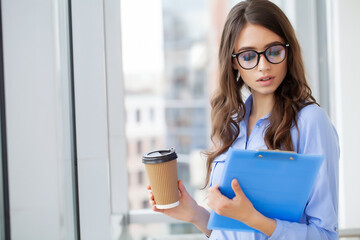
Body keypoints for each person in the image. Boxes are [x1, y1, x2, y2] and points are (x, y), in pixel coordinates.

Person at [147, 0, 339, 239]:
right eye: (249, 56)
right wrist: (194, 213)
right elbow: (231, 232)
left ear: (288, 52)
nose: (264, 66)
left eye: (274, 51)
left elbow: (325, 234)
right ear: (234, 61)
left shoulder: (310, 122)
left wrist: (253, 218)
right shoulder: (232, 123)